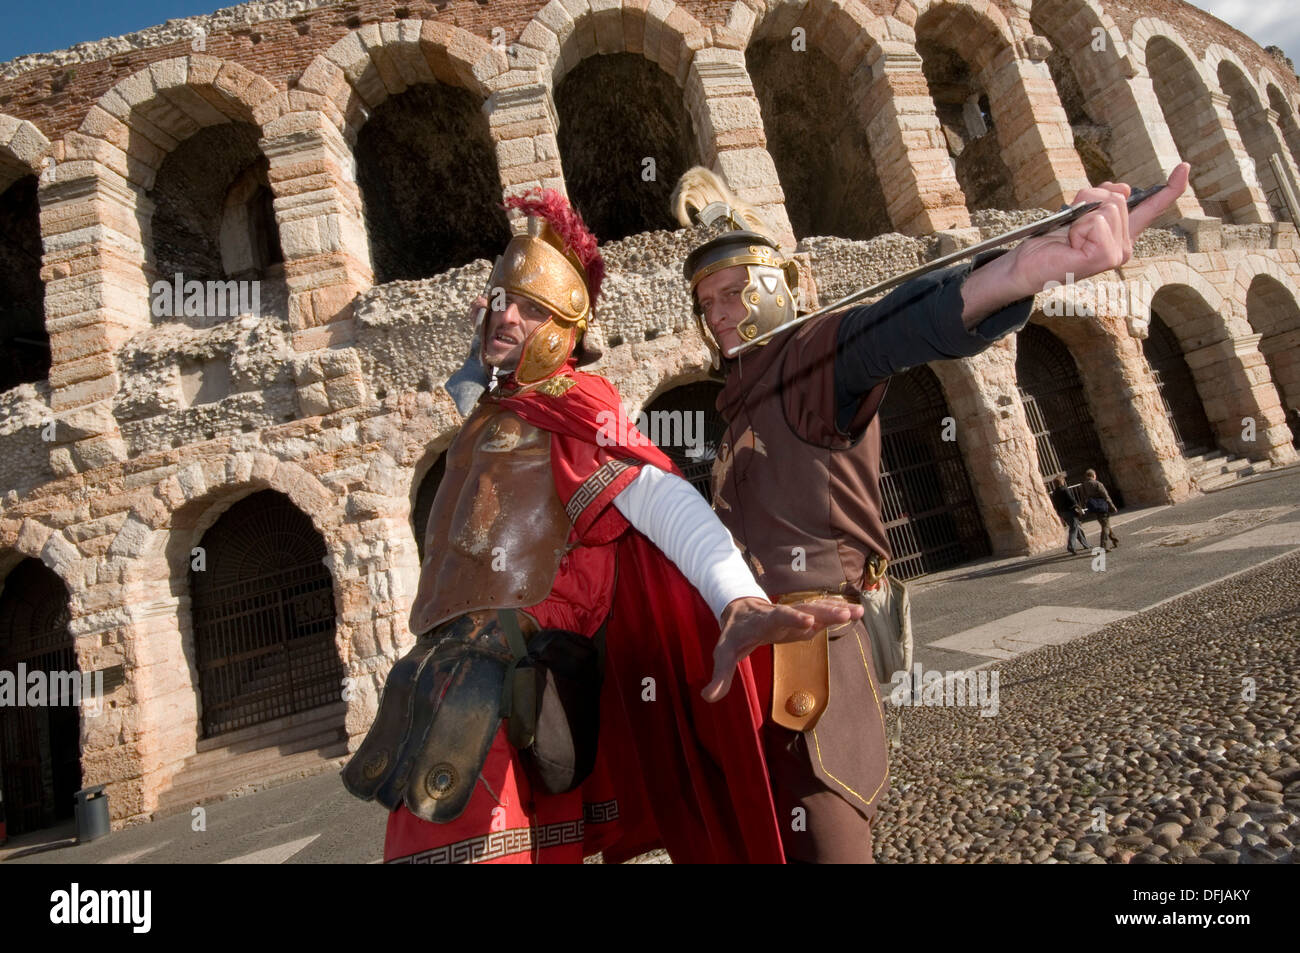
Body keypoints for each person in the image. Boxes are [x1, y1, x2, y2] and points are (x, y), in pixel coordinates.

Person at [671, 162, 1190, 863]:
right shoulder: (734, 401)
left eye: (734, 292)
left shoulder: (809, 357)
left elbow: (895, 325)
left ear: (775, 288)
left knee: (825, 837)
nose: (721, 313)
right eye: (707, 304)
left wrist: (1024, 268)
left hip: (812, 654)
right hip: (748, 656)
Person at [343, 187, 858, 864]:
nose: (508, 315)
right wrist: (491, 337)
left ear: (562, 330)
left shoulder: (575, 402)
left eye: (532, 310)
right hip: (449, 674)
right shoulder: (501, 408)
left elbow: (661, 494)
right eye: (502, 299)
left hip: (501, 682)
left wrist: (736, 598)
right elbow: (477, 388)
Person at [1049, 474, 1090, 554]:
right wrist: (1079, 507)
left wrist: (1059, 513)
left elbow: (1055, 504)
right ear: (1062, 482)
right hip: (1070, 511)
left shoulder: (1054, 492)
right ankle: (1071, 546)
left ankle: (1085, 544)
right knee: (1074, 529)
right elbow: (1072, 500)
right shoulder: (1064, 489)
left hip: (1063, 512)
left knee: (1077, 528)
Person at [1080, 467, 1120, 549]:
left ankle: (1114, 539)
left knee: (1104, 523)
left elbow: (1083, 497)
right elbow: (1106, 496)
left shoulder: (1083, 485)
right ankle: (1104, 545)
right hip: (1102, 506)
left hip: (1094, 507)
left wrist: (1083, 506)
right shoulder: (1097, 484)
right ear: (1093, 475)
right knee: (1105, 525)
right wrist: (1112, 506)